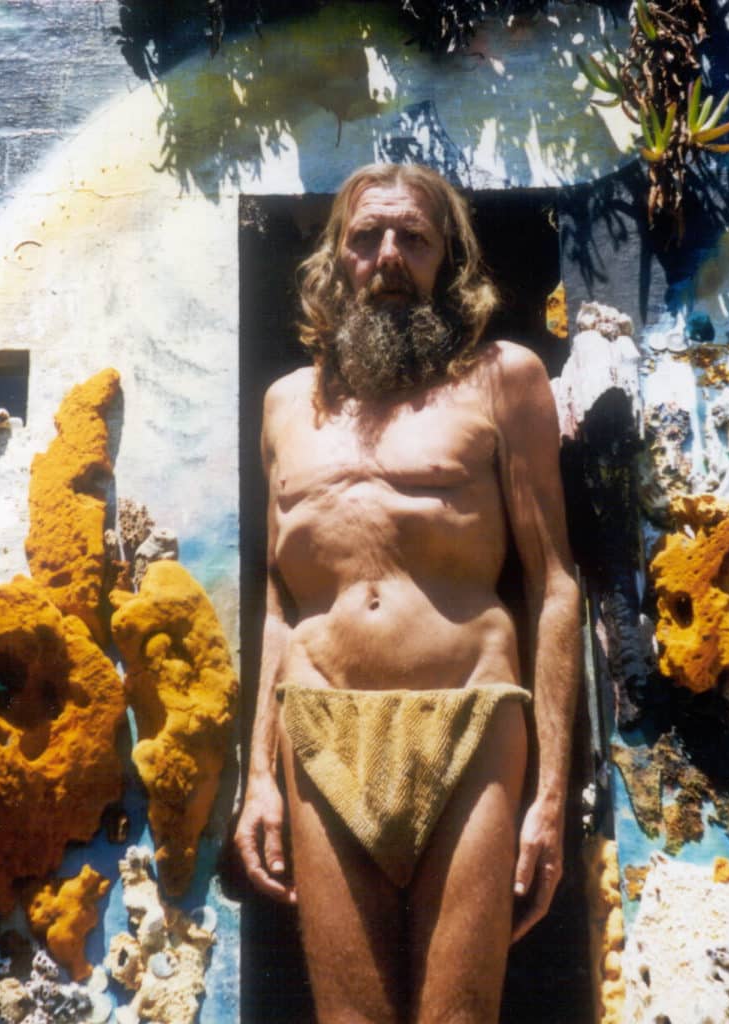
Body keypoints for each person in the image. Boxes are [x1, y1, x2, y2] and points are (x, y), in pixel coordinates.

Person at [234, 162, 580, 1024]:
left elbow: (554, 586)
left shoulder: (503, 378)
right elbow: (278, 606)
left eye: (413, 238)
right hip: (317, 726)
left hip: (470, 721)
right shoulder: (285, 405)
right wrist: (257, 777)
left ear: (447, 260)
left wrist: (549, 796)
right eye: (366, 236)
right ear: (336, 258)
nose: (388, 255)